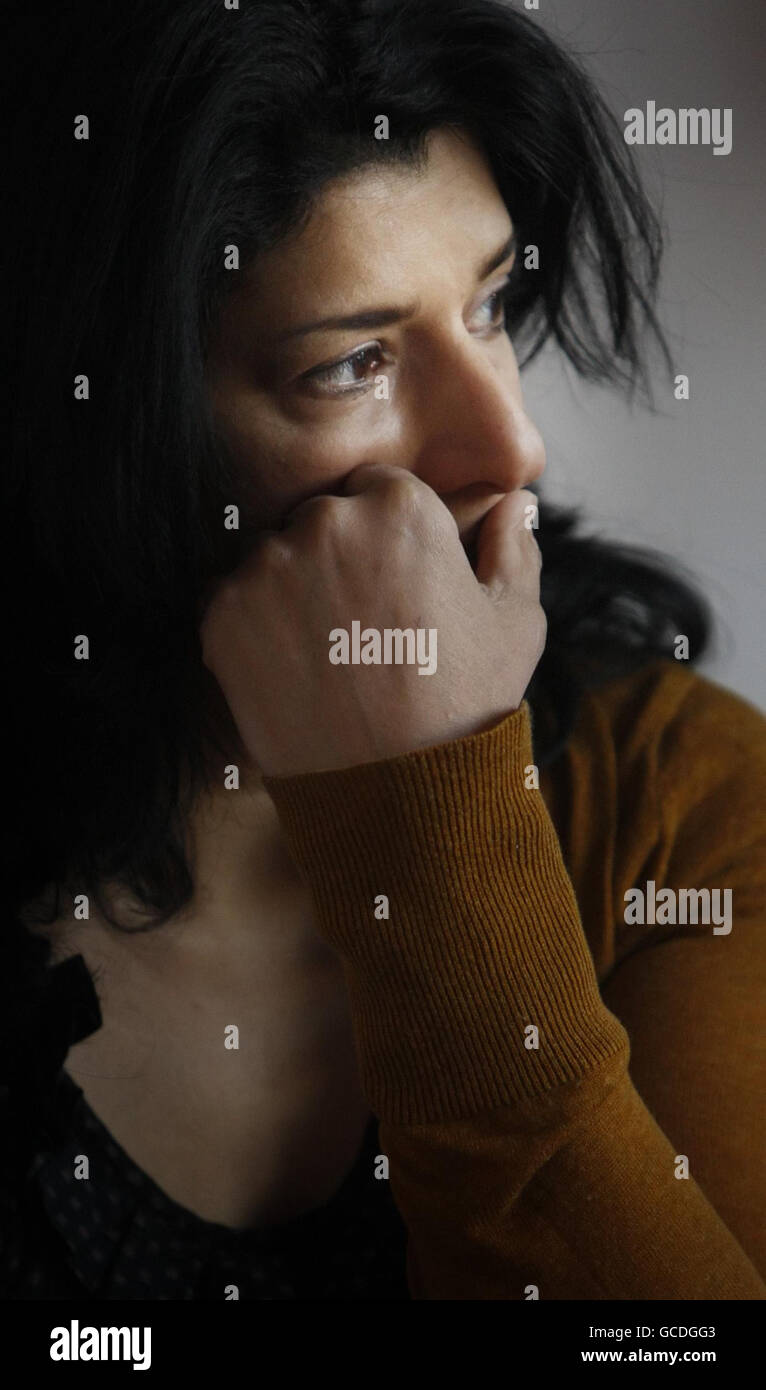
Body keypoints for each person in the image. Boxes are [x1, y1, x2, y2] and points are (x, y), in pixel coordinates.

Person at [3, 0, 764, 1301]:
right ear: (103, 417)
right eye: (354, 361)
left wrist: (432, 806)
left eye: (487, 305)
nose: (509, 447)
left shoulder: (674, 788)